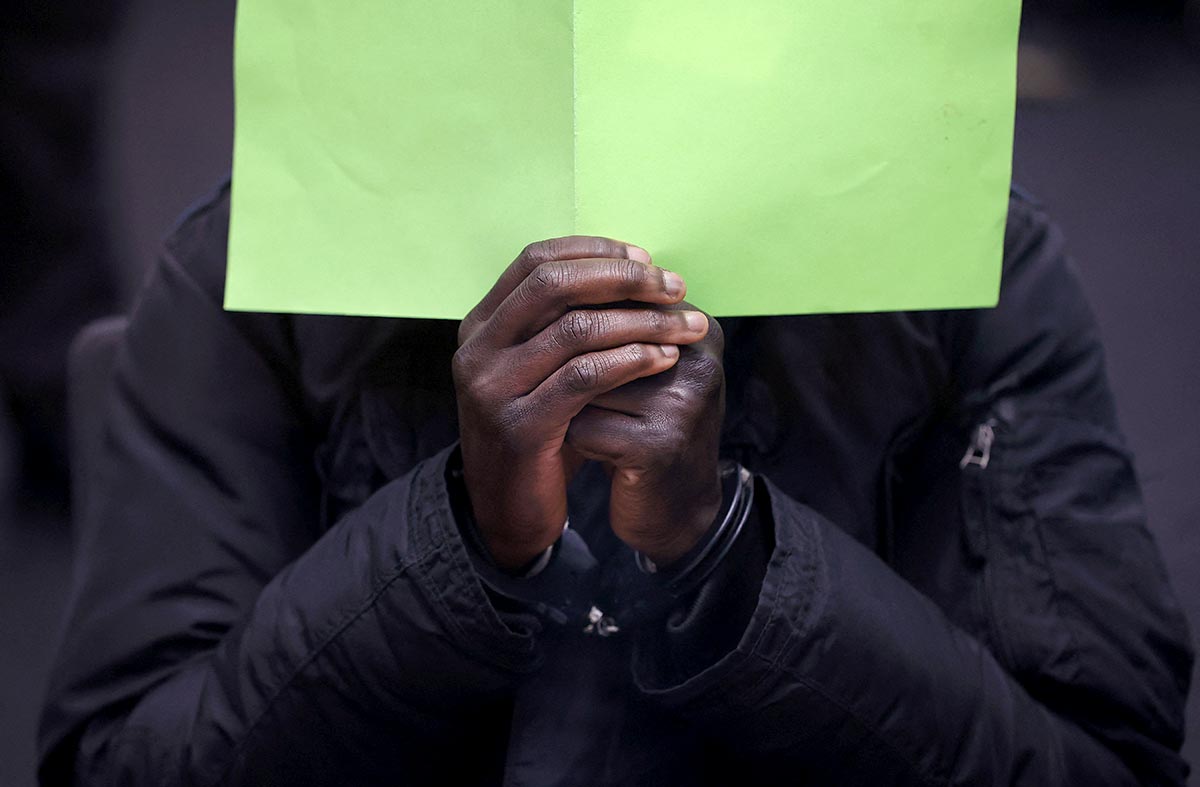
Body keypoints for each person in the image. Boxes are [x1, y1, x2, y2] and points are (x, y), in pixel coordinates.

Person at [38, 180, 1192, 785]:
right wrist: (466, 535)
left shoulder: (967, 261)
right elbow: (121, 763)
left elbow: (1099, 763)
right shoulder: (251, 267)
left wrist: (725, 546)